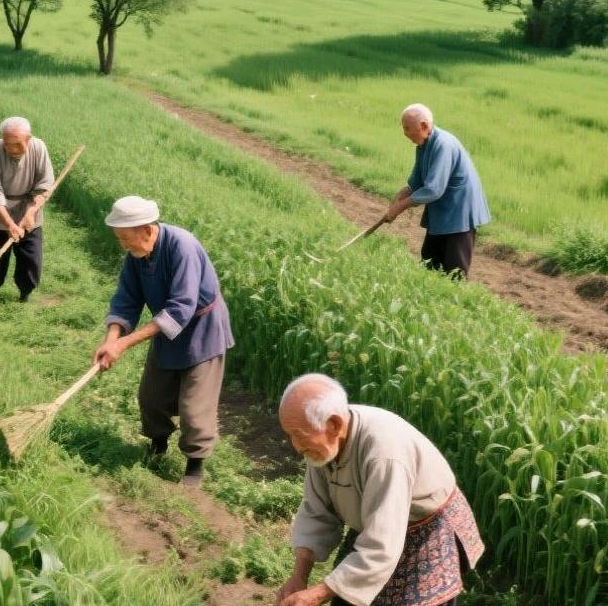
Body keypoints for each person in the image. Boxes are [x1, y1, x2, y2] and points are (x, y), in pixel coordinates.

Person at [275, 374, 483, 606]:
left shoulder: (385, 454)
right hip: (376, 524)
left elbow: (381, 543)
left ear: (334, 425)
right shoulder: (324, 444)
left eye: (300, 436)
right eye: (290, 435)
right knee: (347, 600)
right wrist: (299, 576)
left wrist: (318, 594)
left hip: (425, 530)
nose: (296, 446)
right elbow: (317, 511)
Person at [93, 196, 234, 487]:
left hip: (201, 331)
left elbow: (182, 306)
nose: (122, 244)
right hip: (166, 328)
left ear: (146, 229)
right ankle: (157, 445)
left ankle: (194, 466)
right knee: (152, 397)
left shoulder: (182, 246)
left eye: (125, 238)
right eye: (118, 238)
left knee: (195, 408)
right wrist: (111, 340)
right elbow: (126, 299)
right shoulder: (136, 255)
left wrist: (125, 343)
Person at [385, 104, 489, 278]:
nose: (405, 134)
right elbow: (416, 183)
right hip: (442, 212)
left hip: (459, 213)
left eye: (407, 129)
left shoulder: (443, 144)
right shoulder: (422, 145)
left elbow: (433, 190)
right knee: (429, 263)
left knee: (454, 271)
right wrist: (397, 199)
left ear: (424, 126)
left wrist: (400, 207)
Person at [0, 116, 54, 303]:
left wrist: (30, 213)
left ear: (28, 139)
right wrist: (10, 224)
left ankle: (25, 293)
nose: (11, 149)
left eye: (17, 144)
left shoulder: (39, 148)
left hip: (29, 208)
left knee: (31, 257)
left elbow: (45, 185)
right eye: (7, 144)